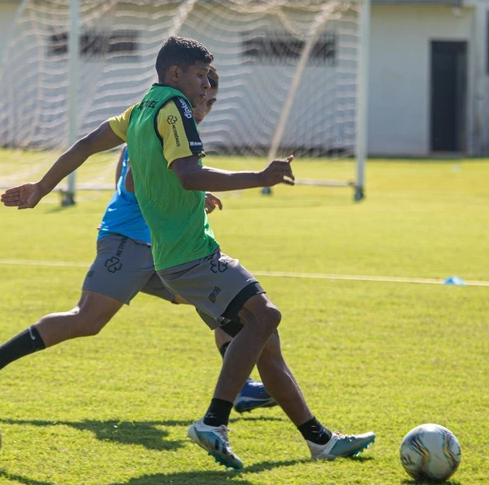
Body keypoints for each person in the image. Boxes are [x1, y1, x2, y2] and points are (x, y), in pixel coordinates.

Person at [119, 36, 376, 469]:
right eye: (202, 79)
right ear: (176, 74)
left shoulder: (142, 110)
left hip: (177, 259)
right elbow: (187, 175)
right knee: (266, 316)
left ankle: (320, 440)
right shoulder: (173, 109)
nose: (205, 91)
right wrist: (260, 176)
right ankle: (214, 422)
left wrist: (42, 188)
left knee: (265, 343)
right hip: (192, 256)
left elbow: (129, 181)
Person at [0, 65, 277, 414]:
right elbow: (133, 181)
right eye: (201, 99)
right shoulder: (161, 122)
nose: (203, 109)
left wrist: (185, 196)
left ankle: (237, 389)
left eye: (211, 102)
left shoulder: (166, 125)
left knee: (217, 303)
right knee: (87, 319)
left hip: (164, 247)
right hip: (128, 240)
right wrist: (184, 190)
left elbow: (132, 173)